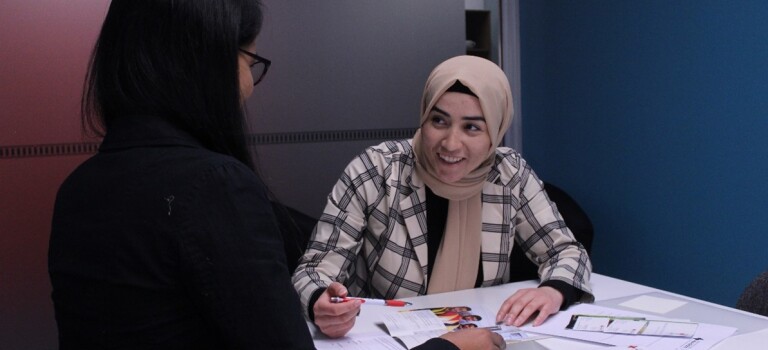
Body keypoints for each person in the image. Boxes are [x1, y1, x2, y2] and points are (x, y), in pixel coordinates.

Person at [48, 1, 504, 349]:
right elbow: (320, 261)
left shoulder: (79, 188)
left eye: (473, 126)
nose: (451, 144)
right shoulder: (218, 186)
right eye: (249, 61)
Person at [292, 55, 595, 338]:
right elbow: (313, 270)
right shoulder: (377, 170)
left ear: (496, 131)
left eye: (472, 127)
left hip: (478, 338)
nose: (451, 143)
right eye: (439, 121)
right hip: (385, 338)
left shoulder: (510, 174)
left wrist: (554, 290)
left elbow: (566, 251)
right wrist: (320, 301)